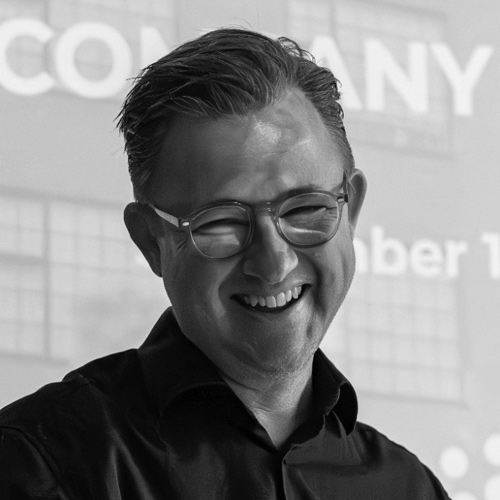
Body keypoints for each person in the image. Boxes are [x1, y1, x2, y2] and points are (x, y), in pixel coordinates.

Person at [0, 28, 450, 499]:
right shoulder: (48, 463)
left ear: (351, 210)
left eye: (305, 210)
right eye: (222, 222)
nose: (274, 263)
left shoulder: (408, 486)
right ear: (152, 241)